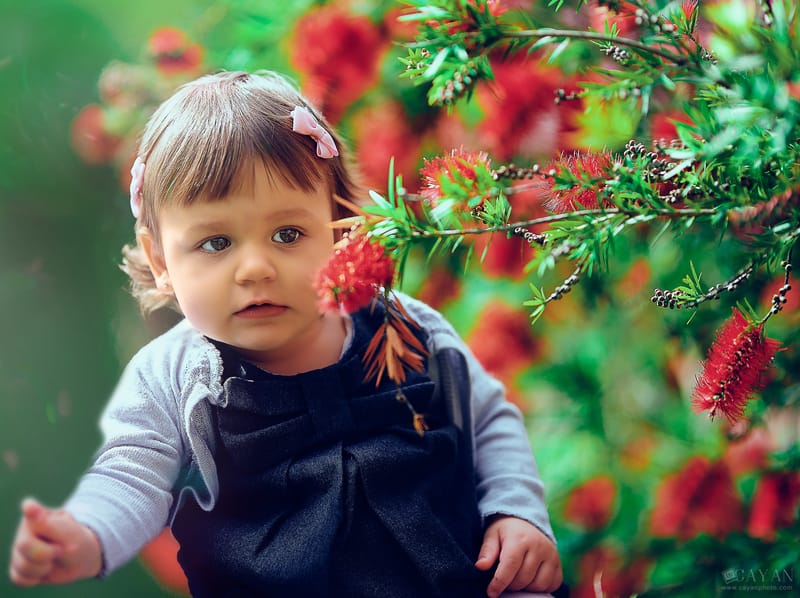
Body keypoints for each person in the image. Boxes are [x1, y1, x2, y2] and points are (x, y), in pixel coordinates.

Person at [9, 70, 563, 597]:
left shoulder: (404, 326)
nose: (255, 268)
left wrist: (515, 513)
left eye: (288, 233)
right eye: (216, 243)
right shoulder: (172, 378)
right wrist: (88, 534)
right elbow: (131, 475)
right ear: (159, 260)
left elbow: (487, 419)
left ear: (340, 226)